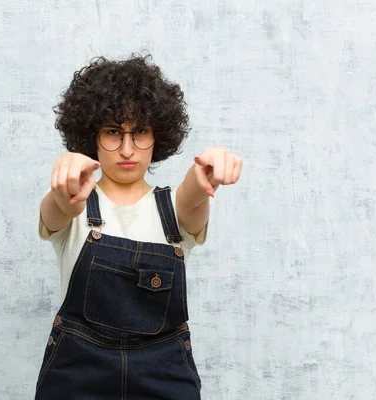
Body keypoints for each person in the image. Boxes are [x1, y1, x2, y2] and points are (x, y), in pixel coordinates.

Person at [35, 53, 242, 399]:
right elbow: (58, 207)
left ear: (158, 135)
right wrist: (66, 183)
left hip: (164, 375)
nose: (127, 149)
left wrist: (207, 169)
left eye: (140, 132)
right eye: (113, 132)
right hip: (77, 375)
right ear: (91, 136)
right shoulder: (76, 203)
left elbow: (193, 194)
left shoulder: (176, 210)